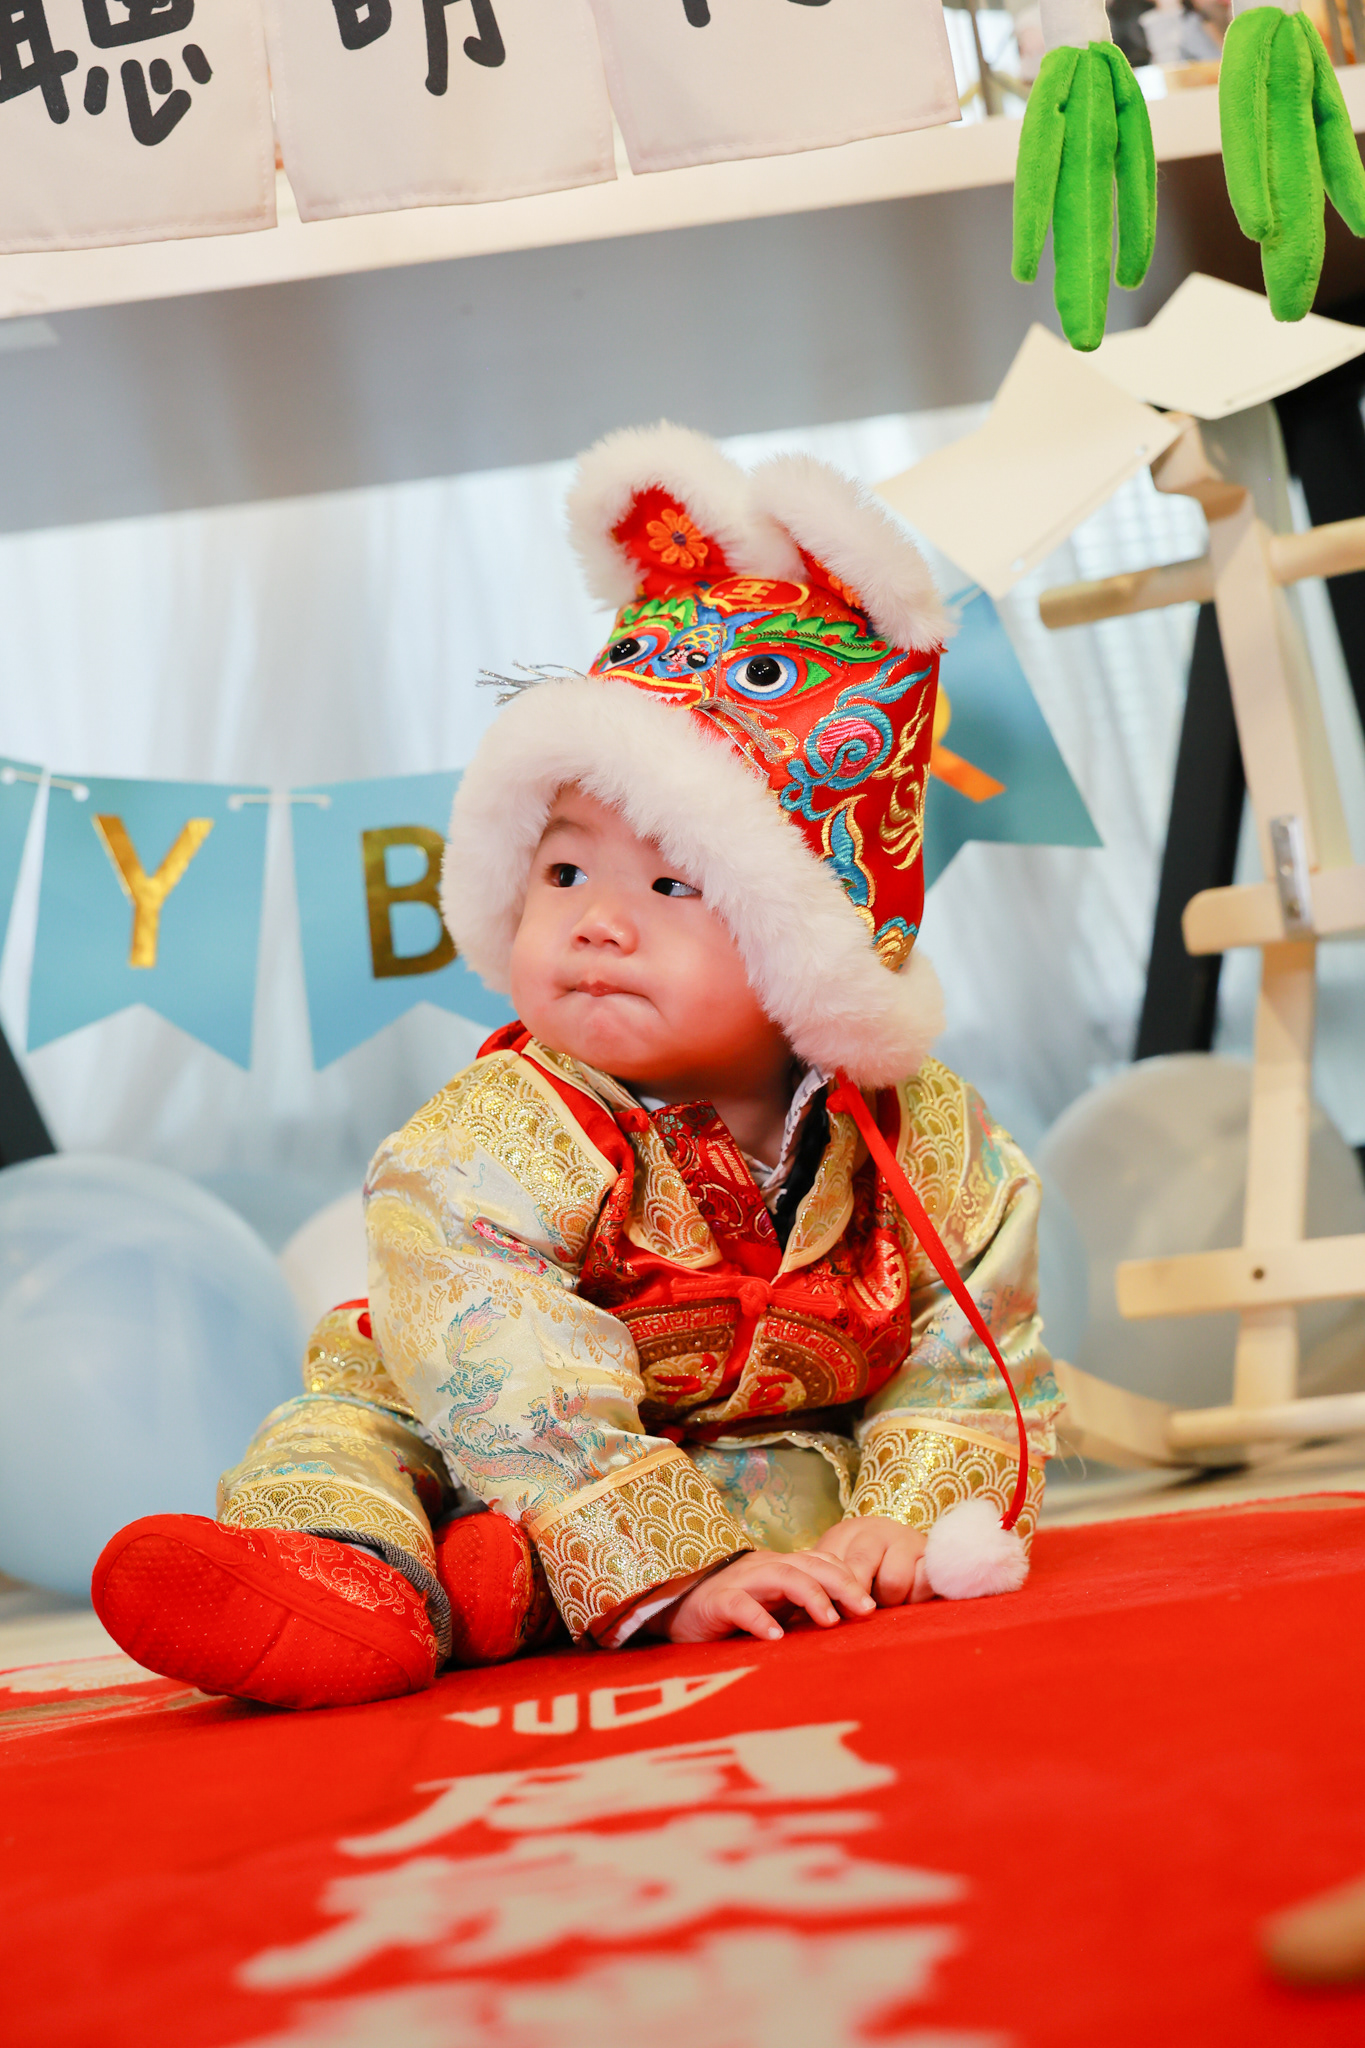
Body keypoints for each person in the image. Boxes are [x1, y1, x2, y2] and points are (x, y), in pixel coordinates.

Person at [93, 425, 1061, 1710]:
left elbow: (973, 1339)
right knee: (349, 1434)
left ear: (812, 938)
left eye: (673, 882)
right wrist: (672, 1565)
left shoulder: (922, 1134)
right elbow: (509, 1366)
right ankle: (349, 1576)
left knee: (799, 1484)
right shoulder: (499, 1130)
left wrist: (909, 1512)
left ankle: (510, 1587)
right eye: (563, 869)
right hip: (471, 1406)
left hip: (725, 1452)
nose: (597, 920)